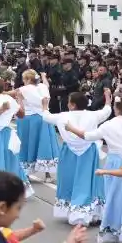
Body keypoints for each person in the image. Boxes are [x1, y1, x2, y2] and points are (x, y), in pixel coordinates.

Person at [61, 94, 122, 243]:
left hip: (116, 162)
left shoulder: (110, 124)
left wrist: (71, 128)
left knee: (114, 197)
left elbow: (87, 136)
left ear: (117, 108)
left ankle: (115, 229)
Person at [42, 90, 112, 224]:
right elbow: (107, 111)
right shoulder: (93, 116)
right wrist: (108, 97)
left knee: (69, 178)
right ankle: (90, 211)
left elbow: (46, 116)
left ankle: (71, 208)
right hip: (88, 151)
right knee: (88, 179)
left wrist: (45, 105)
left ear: (72, 105)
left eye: (69, 102)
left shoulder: (62, 116)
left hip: (69, 150)